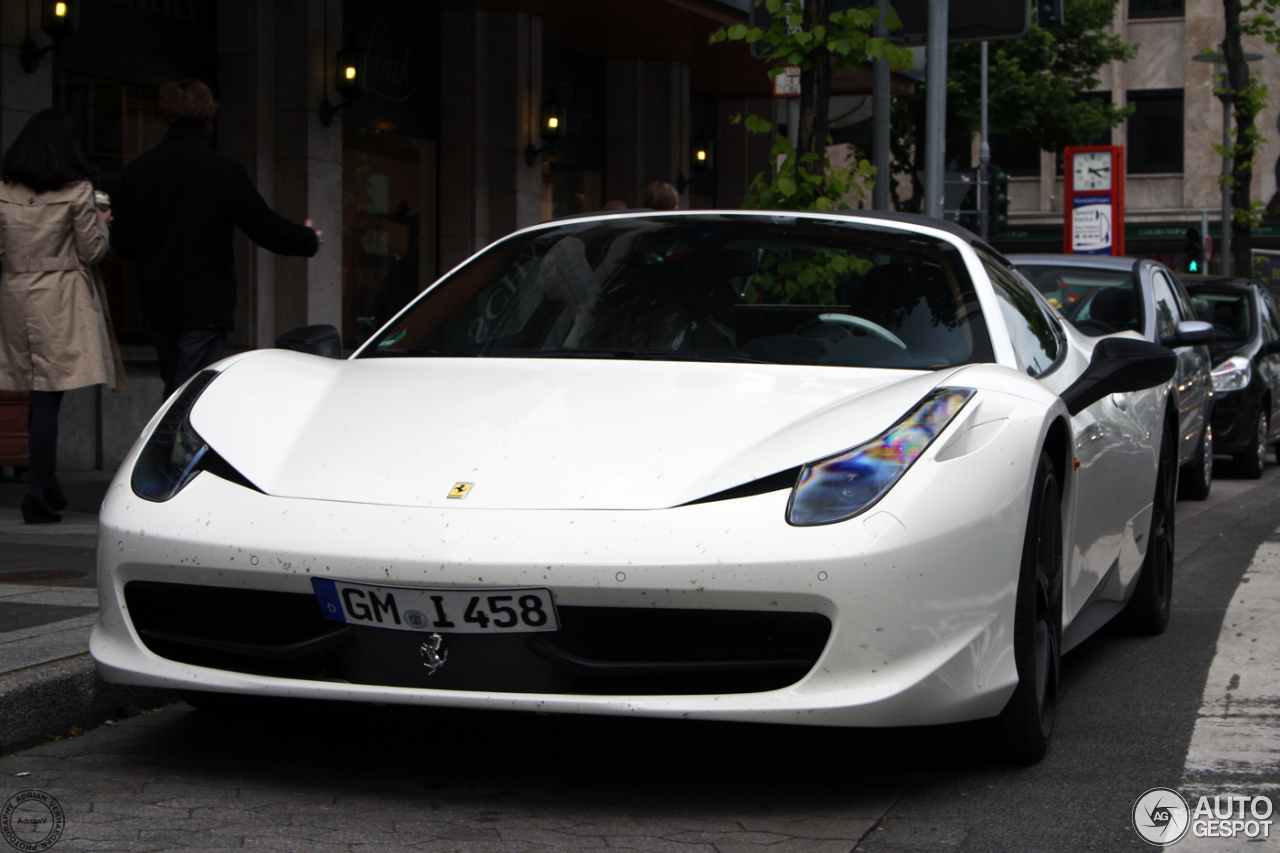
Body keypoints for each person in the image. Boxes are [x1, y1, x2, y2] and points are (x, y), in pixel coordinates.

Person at [113, 79, 322, 397]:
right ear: (209, 117)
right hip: (205, 300)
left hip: (158, 300)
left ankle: (171, 443)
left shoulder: (139, 171)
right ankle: (169, 446)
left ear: (166, 116)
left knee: (177, 387)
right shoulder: (222, 170)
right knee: (189, 396)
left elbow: (125, 240)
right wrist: (306, 238)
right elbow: (263, 226)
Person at [0, 109, 127, 524]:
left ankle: (48, 484)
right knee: (49, 395)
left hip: (15, 292)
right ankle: (36, 492)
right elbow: (92, 251)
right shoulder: (77, 190)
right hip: (60, 296)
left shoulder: (4, 190)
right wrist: (104, 222)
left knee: (34, 389)